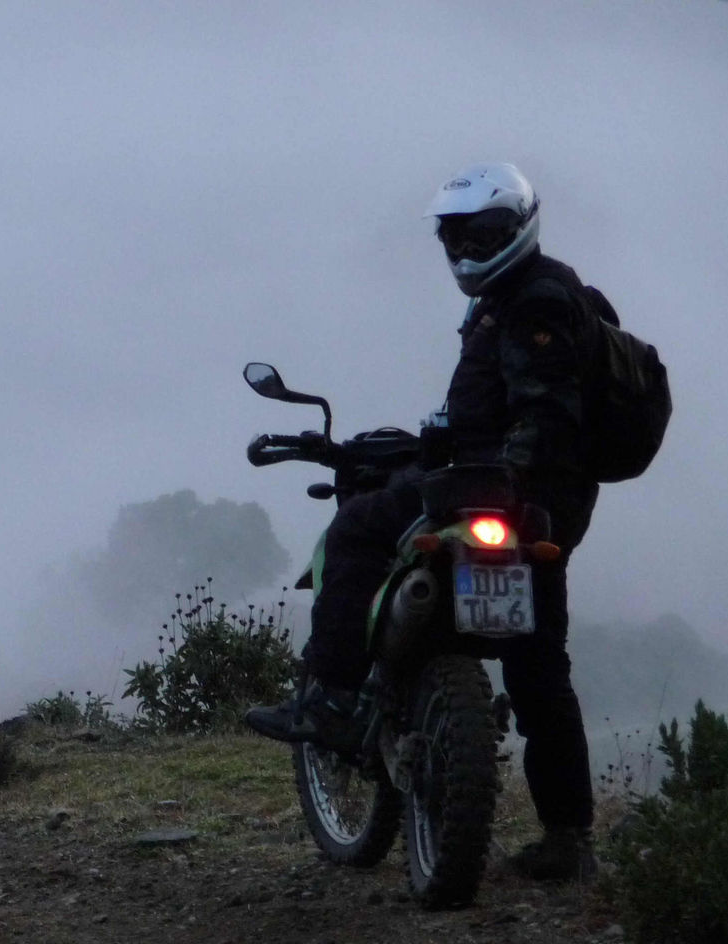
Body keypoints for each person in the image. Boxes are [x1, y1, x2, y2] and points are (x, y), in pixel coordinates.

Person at [246, 162, 605, 883]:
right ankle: (568, 839)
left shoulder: (533, 302)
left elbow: (543, 415)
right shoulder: (540, 293)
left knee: (355, 531)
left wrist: (496, 478)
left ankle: (333, 699)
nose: (468, 249)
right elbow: (503, 412)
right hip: (546, 509)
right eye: (456, 237)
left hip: (500, 491)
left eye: (484, 234)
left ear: (520, 227)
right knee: (539, 669)